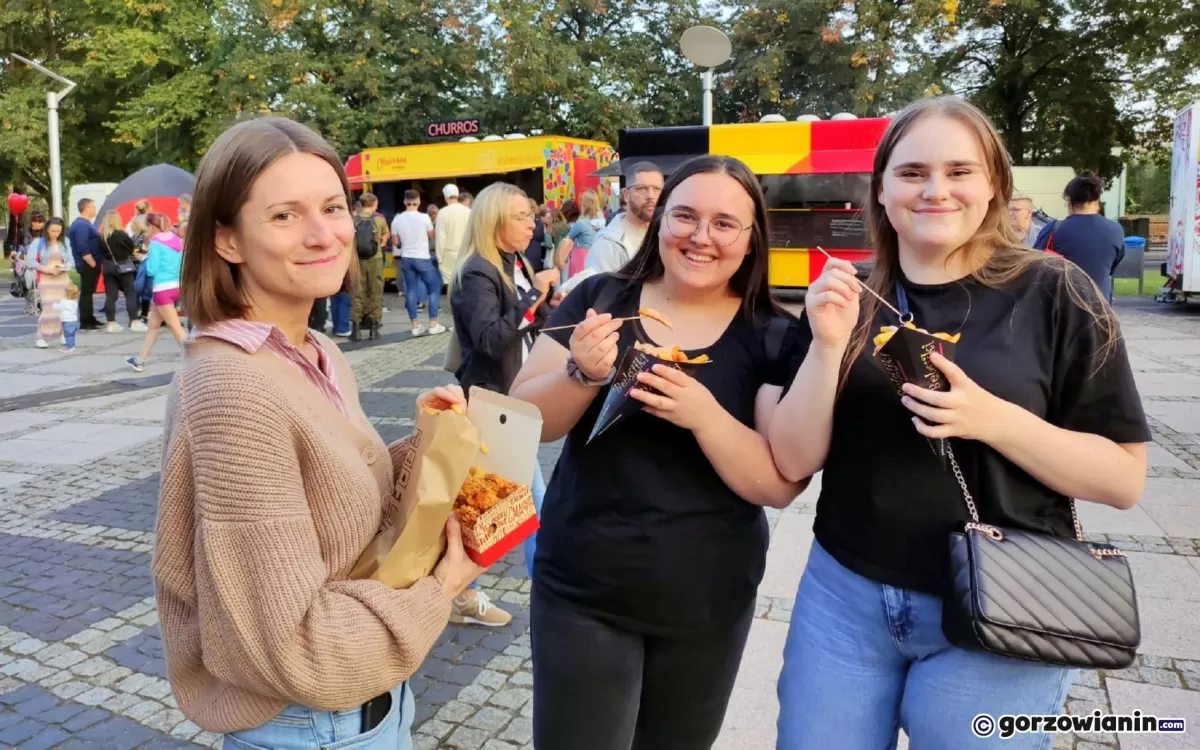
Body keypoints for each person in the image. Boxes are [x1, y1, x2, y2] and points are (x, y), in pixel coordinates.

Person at [767, 96, 1150, 749]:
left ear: (995, 186)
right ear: (882, 190)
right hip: (845, 596)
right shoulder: (846, 297)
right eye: (912, 172)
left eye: (960, 171)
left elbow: (1123, 478)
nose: (935, 190)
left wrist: (992, 419)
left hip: (1007, 599)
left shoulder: (1057, 292)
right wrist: (829, 347)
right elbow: (793, 460)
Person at [156, 115, 484, 748]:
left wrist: (430, 439)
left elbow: (330, 501)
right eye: (284, 216)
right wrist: (442, 590)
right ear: (227, 240)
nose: (322, 234)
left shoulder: (312, 349)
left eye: (332, 207)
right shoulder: (233, 385)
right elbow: (297, 649)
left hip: (371, 705)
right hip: (313, 725)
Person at [509, 155, 804, 749]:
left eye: (725, 224)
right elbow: (527, 419)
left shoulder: (772, 332)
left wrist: (703, 416)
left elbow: (777, 482)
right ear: (658, 220)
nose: (701, 237)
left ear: (752, 241)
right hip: (584, 585)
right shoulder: (600, 297)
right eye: (685, 216)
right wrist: (580, 372)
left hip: (707, 596)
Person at [449, 182, 559, 618]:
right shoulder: (478, 272)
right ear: (494, 221)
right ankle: (537, 593)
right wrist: (534, 297)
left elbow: (530, 325)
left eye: (531, 215)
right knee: (517, 503)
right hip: (492, 405)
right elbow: (492, 340)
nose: (532, 223)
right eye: (521, 216)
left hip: (511, 402)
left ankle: (464, 591)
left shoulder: (514, 264)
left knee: (501, 506)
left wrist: (551, 303)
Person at [1034, 171, 1126, 300]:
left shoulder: (1054, 229)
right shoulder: (1116, 230)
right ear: (1097, 200)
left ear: (1070, 201)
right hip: (1100, 307)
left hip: (1063, 306)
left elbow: (1035, 265)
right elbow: (1112, 266)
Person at [126, 214, 187, 372]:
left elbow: (152, 270)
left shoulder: (155, 242)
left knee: (175, 327)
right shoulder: (176, 239)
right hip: (175, 286)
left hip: (162, 288)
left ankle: (197, 360)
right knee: (153, 325)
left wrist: (145, 258)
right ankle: (140, 359)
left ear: (151, 226)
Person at [586, 162, 664, 273]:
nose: (651, 196)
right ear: (626, 195)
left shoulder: (665, 234)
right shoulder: (608, 244)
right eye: (641, 188)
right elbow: (601, 289)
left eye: (656, 189)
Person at [394, 189, 445, 337]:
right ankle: (433, 324)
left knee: (411, 291)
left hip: (406, 258)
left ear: (405, 201)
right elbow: (431, 236)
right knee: (434, 288)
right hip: (422, 258)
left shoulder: (397, 219)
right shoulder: (424, 218)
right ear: (419, 202)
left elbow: (397, 242)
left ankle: (415, 325)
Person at [27, 217, 74, 350]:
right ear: (47, 229)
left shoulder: (65, 242)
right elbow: (31, 262)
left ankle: (62, 333)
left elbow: (71, 260)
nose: (56, 234)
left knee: (63, 307)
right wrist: (47, 269)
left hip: (62, 278)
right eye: (53, 231)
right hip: (46, 279)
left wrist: (66, 267)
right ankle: (41, 336)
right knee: (48, 308)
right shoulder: (38, 243)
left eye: (58, 231)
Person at [351, 192, 389, 340]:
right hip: (376, 258)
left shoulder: (353, 219)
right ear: (375, 204)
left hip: (357, 259)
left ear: (360, 204)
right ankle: (374, 328)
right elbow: (386, 237)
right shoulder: (379, 219)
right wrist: (381, 241)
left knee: (358, 292)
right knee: (376, 291)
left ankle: (356, 329)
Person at [99, 210, 145, 332]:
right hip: (124, 266)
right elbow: (131, 249)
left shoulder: (102, 236)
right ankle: (134, 321)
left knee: (111, 295)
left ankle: (111, 323)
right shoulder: (121, 234)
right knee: (130, 293)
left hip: (108, 266)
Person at [68, 198, 104, 330]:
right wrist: (92, 262)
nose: (95, 209)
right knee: (87, 292)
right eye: (93, 207)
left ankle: (90, 317)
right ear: (87, 207)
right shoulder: (81, 225)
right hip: (88, 263)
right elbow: (82, 245)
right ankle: (86, 320)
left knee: (89, 291)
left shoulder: (86, 224)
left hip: (91, 262)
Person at [436, 184, 471, 290]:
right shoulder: (468, 211)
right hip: (466, 252)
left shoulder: (442, 213)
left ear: (445, 197)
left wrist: (439, 258)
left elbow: (441, 237)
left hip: (449, 254)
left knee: (451, 287)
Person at [12, 211, 46, 316]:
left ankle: (41, 305)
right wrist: (17, 255)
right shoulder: (25, 233)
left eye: (40, 222)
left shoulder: (46, 234)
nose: (38, 224)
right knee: (29, 286)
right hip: (27, 264)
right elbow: (20, 248)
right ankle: (31, 306)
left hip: (42, 263)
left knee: (41, 286)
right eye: (35, 221)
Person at [55, 284, 81, 353]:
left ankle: (70, 347)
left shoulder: (64, 302)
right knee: (72, 335)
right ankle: (72, 345)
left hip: (67, 321)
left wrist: (55, 304)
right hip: (74, 321)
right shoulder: (74, 302)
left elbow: (57, 308)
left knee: (68, 335)